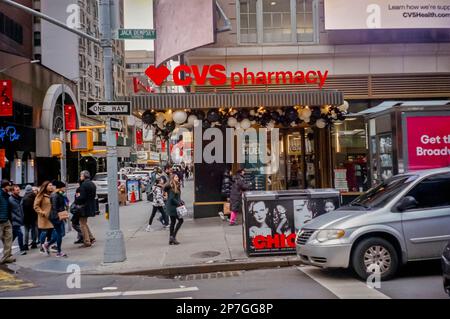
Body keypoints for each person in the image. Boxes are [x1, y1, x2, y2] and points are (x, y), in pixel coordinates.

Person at [46, 181, 68, 257]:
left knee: (60, 233)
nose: (65, 188)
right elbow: (55, 208)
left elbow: (63, 204)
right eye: (64, 187)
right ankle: (58, 252)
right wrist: (59, 217)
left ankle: (47, 244)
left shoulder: (59, 194)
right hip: (56, 217)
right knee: (60, 234)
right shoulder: (55, 195)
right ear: (60, 187)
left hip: (57, 216)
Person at [77, 170, 97, 248]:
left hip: (84, 207)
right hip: (90, 206)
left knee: (82, 224)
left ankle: (87, 241)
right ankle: (91, 238)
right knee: (84, 223)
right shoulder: (92, 184)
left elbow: (81, 197)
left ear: (84, 176)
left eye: (81, 176)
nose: (80, 177)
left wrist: (77, 201)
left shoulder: (84, 185)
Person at [34, 181, 54, 255]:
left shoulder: (52, 194)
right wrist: (42, 213)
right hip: (44, 217)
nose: (51, 186)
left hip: (52, 217)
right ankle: (42, 247)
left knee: (51, 233)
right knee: (44, 232)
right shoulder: (41, 195)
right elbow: (36, 206)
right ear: (45, 186)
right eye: (49, 185)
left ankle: (47, 246)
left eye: (52, 185)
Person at [165, 174, 184, 245]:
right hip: (173, 207)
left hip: (172, 207)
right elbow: (172, 198)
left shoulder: (176, 185)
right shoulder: (172, 187)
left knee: (173, 222)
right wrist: (179, 204)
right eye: (176, 177)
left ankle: (171, 238)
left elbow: (176, 197)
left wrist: (181, 201)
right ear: (172, 178)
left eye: (177, 177)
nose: (178, 178)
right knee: (181, 220)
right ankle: (173, 237)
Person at [9, 185, 26, 255]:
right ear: (12, 191)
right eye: (17, 190)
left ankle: (7, 247)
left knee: (14, 235)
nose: (18, 191)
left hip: (19, 219)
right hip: (14, 220)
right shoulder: (10, 199)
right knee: (20, 234)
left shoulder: (20, 198)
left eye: (19, 190)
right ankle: (21, 249)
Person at [0, 180, 14, 264]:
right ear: (4, 186)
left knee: (8, 239)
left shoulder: (6, 195)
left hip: (7, 220)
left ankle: (6, 257)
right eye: (9, 186)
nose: (10, 187)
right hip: (0, 221)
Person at [22, 185, 39, 250]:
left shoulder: (24, 198)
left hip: (26, 216)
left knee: (26, 230)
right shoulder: (34, 196)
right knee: (34, 229)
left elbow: (21, 208)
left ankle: (26, 244)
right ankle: (34, 242)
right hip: (34, 216)